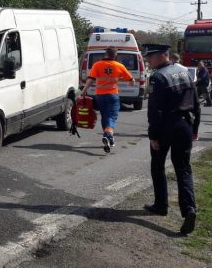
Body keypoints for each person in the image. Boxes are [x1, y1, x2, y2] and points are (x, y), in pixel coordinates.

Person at [142, 44, 199, 235]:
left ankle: (161, 205)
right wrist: (195, 129)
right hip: (185, 126)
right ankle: (189, 209)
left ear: (163, 56)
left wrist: (153, 135)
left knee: (157, 165)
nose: (148, 60)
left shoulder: (157, 77)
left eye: (151, 57)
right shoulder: (185, 73)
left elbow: (155, 110)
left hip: (166, 126)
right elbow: (196, 103)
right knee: (183, 169)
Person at [80, 47, 134, 153]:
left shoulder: (97, 65)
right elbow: (130, 80)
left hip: (99, 96)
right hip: (112, 95)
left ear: (105, 54)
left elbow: (91, 79)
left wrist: (84, 90)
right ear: (115, 55)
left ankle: (110, 139)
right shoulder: (119, 66)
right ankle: (108, 134)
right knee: (112, 117)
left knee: (105, 117)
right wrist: (126, 80)